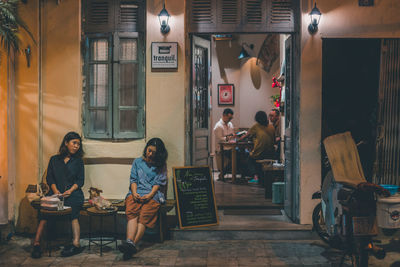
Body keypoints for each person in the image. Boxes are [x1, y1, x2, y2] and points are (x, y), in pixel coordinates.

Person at [31, 132, 85, 258]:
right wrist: (56, 192)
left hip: (73, 194)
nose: (76, 146)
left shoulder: (78, 161)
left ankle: (75, 244)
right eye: (74, 143)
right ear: (66, 143)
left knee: (73, 213)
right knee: (44, 213)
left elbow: (80, 181)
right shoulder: (54, 159)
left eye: (78, 144)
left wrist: (70, 191)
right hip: (55, 193)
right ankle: (37, 244)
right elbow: (50, 178)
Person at [118, 138, 168, 260]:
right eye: (149, 150)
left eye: (154, 153)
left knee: (144, 216)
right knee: (132, 213)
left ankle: (131, 244)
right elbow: (133, 180)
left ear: (159, 154)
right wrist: (134, 193)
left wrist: (150, 195)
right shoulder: (137, 162)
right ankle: (130, 242)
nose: (150, 154)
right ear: (146, 148)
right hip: (136, 192)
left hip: (153, 195)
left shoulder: (161, 165)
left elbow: (158, 184)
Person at [239, 111, 275, 184]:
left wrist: (238, 139)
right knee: (254, 157)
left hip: (260, 153)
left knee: (249, 158)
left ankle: (255, 177)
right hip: (271, 153)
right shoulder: (271, 126)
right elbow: (273, 140)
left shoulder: (256, 126)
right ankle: (261, 176)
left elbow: (245, 136)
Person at [213, 108, 235, 180]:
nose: (230, 119)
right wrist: (228, 138)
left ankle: (224, 173)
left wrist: (233, 136)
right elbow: (220, 139)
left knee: (244, 153)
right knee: (236, 156)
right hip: (222, 147)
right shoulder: (218, 126)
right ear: (224, 115)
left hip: (230, 146)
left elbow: (231, 135)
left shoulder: (230, 124)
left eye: (231, 118)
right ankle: (222, 173)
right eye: (229, 118)